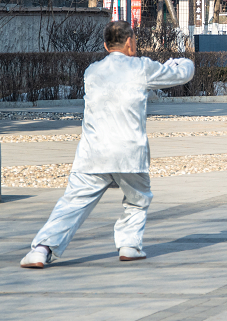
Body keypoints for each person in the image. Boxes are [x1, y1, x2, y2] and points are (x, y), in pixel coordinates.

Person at [21, 20, 194, 268]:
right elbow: (180, 74)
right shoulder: (141, 68)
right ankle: (129, 246)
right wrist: (183, 61)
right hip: (129, 153)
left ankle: (41, 249)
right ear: (129, 41)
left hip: (93, 153)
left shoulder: (92, 71)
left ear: (105, 45)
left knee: (73, 204)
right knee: (137, 199)